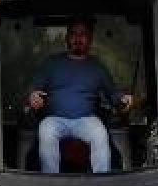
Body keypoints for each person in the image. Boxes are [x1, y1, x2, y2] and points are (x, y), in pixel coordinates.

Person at [28, 18, 133, 174]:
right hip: (55, 119)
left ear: (89, 39)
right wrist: (33, 96)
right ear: (67, 38)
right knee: (45, 129)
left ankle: (102, 183)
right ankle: (51, 184)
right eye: (73, 34)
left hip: (86, 120)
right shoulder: (52, 63)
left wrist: (123, 98)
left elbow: (113, 93)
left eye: (82, 34)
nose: (78, 38)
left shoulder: (97, 67)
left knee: (100, 133)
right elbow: (34, 89)